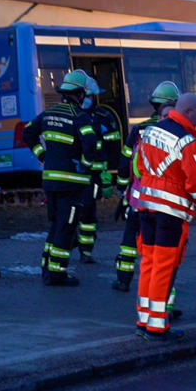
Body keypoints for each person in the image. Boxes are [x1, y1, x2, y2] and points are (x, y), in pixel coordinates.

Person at [135, 93, 196, 341]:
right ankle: (157, 326)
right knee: (164, 267)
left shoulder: (150, 131)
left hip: (146, 208)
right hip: (170, 213)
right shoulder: (187, 140)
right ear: (187, 111)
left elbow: (140, 167)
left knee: (148, 263)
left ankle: (144, 318)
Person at [22, 70, 99, 286]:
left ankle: (47, 266)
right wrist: (85, 164)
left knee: (56, 224)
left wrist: (42, 155)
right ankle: (56, 274)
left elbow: (27, 133)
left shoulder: (48, 114)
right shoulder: (80, 116)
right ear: (79, 95)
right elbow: (90, 143)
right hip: (72, 183)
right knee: (66, 227)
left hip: (50, 181)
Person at [112, 81, 180, 292]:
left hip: (137, 196)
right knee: (158, 245)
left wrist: (124, 191)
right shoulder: (177, 131)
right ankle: (160, 289)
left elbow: (125, 162)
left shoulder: (140, 129)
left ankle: (124, 279)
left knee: (129, 237)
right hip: (163, 199)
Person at [73, 72, 119, 264]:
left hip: (94, 174)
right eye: (85, 95)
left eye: (90, 96)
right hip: (73, 173)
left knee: (89, 211)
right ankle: (70, 241)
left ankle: (86, 249)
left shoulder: (104, 116)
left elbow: (114, 145)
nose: (87, 100)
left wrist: (110, 174)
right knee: (70, 211)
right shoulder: (71, 115)